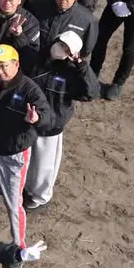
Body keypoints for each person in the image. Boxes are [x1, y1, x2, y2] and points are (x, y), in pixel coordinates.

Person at [0, 45, 52, 245]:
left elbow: (48, 118)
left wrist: (37, 119)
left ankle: (19, 244)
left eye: (4, 66)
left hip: (14, 153)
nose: (0, 71)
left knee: (13, 202)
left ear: (16, 64)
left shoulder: (30, 89)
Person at [26, 31, 98, 211]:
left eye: (67, 49)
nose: (61, 49)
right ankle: (24, 188)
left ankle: (40, 197)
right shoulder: (37, 59)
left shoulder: (72, 73)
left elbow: (91, 92)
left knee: (44, 165)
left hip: (51, 126)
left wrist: (81, 65)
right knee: (25, 159)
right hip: (28, 120)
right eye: (61, 44)